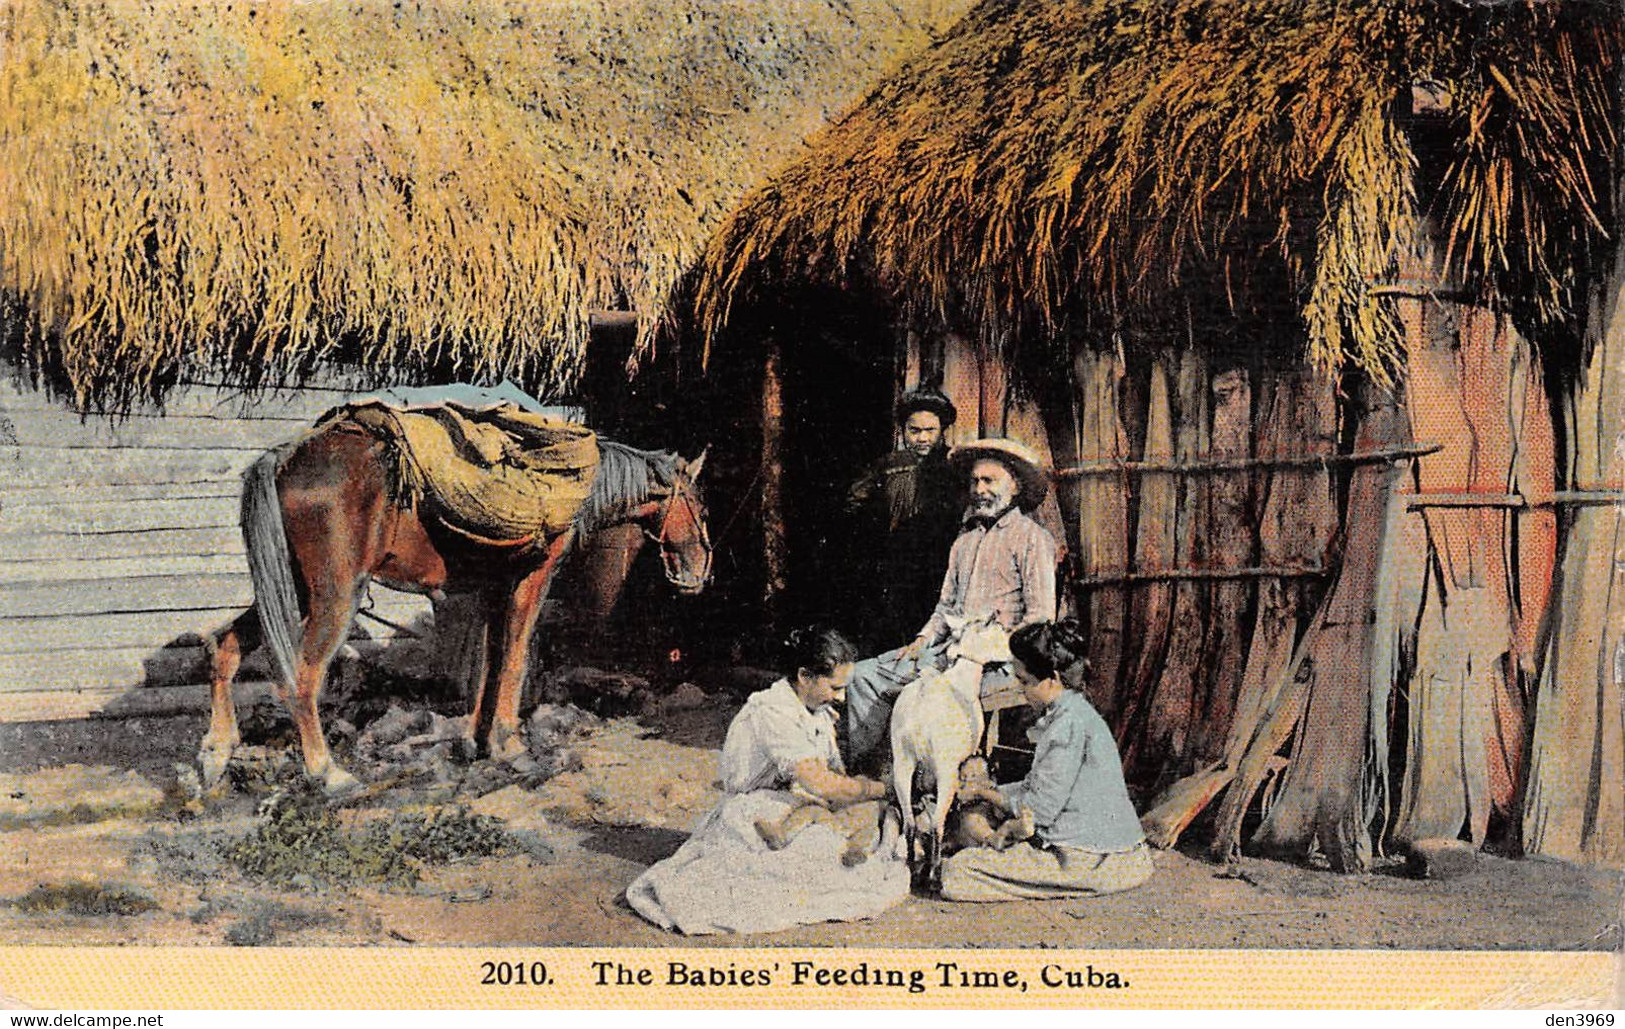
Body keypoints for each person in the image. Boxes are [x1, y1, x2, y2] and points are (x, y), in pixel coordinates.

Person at [625, 626, 909, 934]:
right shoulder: (772, 711)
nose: (840, 697)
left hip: (793, 802)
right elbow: (822, 783)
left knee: (858, 837)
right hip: (753, 808)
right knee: (824, 866)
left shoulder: (817, 710)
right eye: (835, 687)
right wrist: (882, 788)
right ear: (804, 676)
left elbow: (833, 775)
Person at [842, 436, 1057, 771]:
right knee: (862, 676)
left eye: (990, 481)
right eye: (974, 481)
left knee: (936, 694)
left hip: (997, 661)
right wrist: (922, 639)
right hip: (946, 651)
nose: (980, 489)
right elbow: (945, 607)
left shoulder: (1032, 539)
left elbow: (1041, 617)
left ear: (1015, 486)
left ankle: (939, 781)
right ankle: (865, 772)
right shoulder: (965, 541)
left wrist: (995, 649)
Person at [939, 620, 1152, 902]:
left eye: (1025, 681)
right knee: (977, 823)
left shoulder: (1068, 725)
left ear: (1052, 679)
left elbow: (1039, 811)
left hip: (1093, 859)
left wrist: (984, 795)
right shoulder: (1072, 714)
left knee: (958, 871)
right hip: (1109, 850)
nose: (1021, 689)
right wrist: (987, 793)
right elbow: (1036, 786)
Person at [845, 387, 965, 650]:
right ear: (903, 430)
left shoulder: (955, 465)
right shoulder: (887, 465)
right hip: (893, 563)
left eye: (930, 431)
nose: (922, 438)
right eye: (915, 430)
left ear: (942, 430)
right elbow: (854, 503)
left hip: (937, 565)